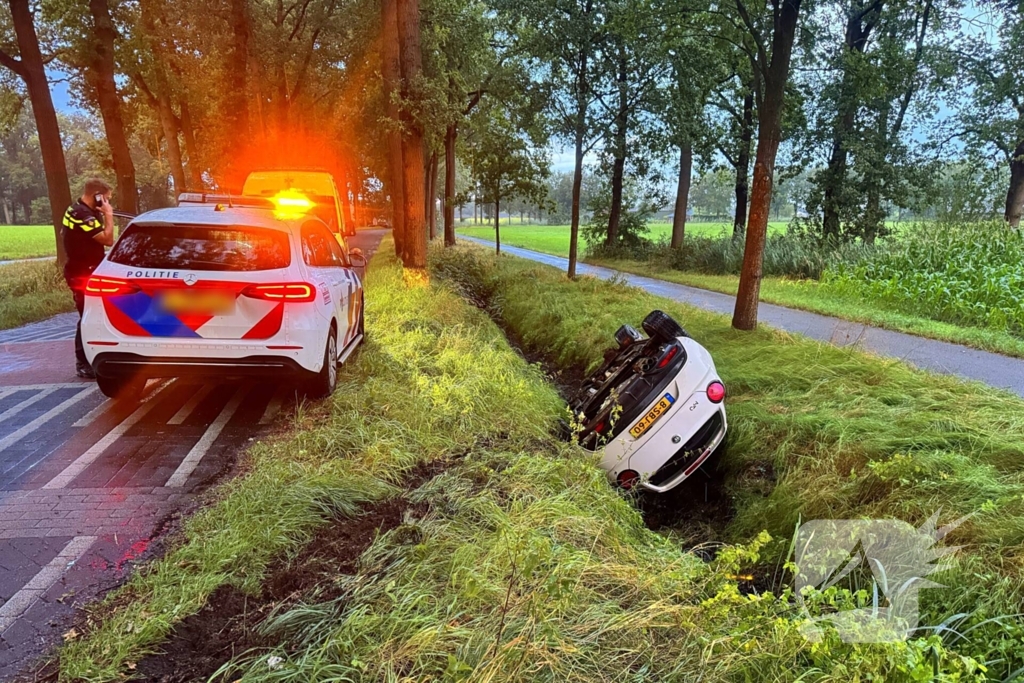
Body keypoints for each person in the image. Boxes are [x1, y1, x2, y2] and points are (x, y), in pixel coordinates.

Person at [61, 179, 115, 379]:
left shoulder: (78, 209)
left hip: (83, 270)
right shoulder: (82, 215)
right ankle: (82, 363)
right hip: (81, 273)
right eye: (106, 199)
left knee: (90, 315)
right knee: (87, 316)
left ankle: (90, 358)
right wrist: (108, 215)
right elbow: (108, 240)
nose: (107, 203)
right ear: (97, 196)